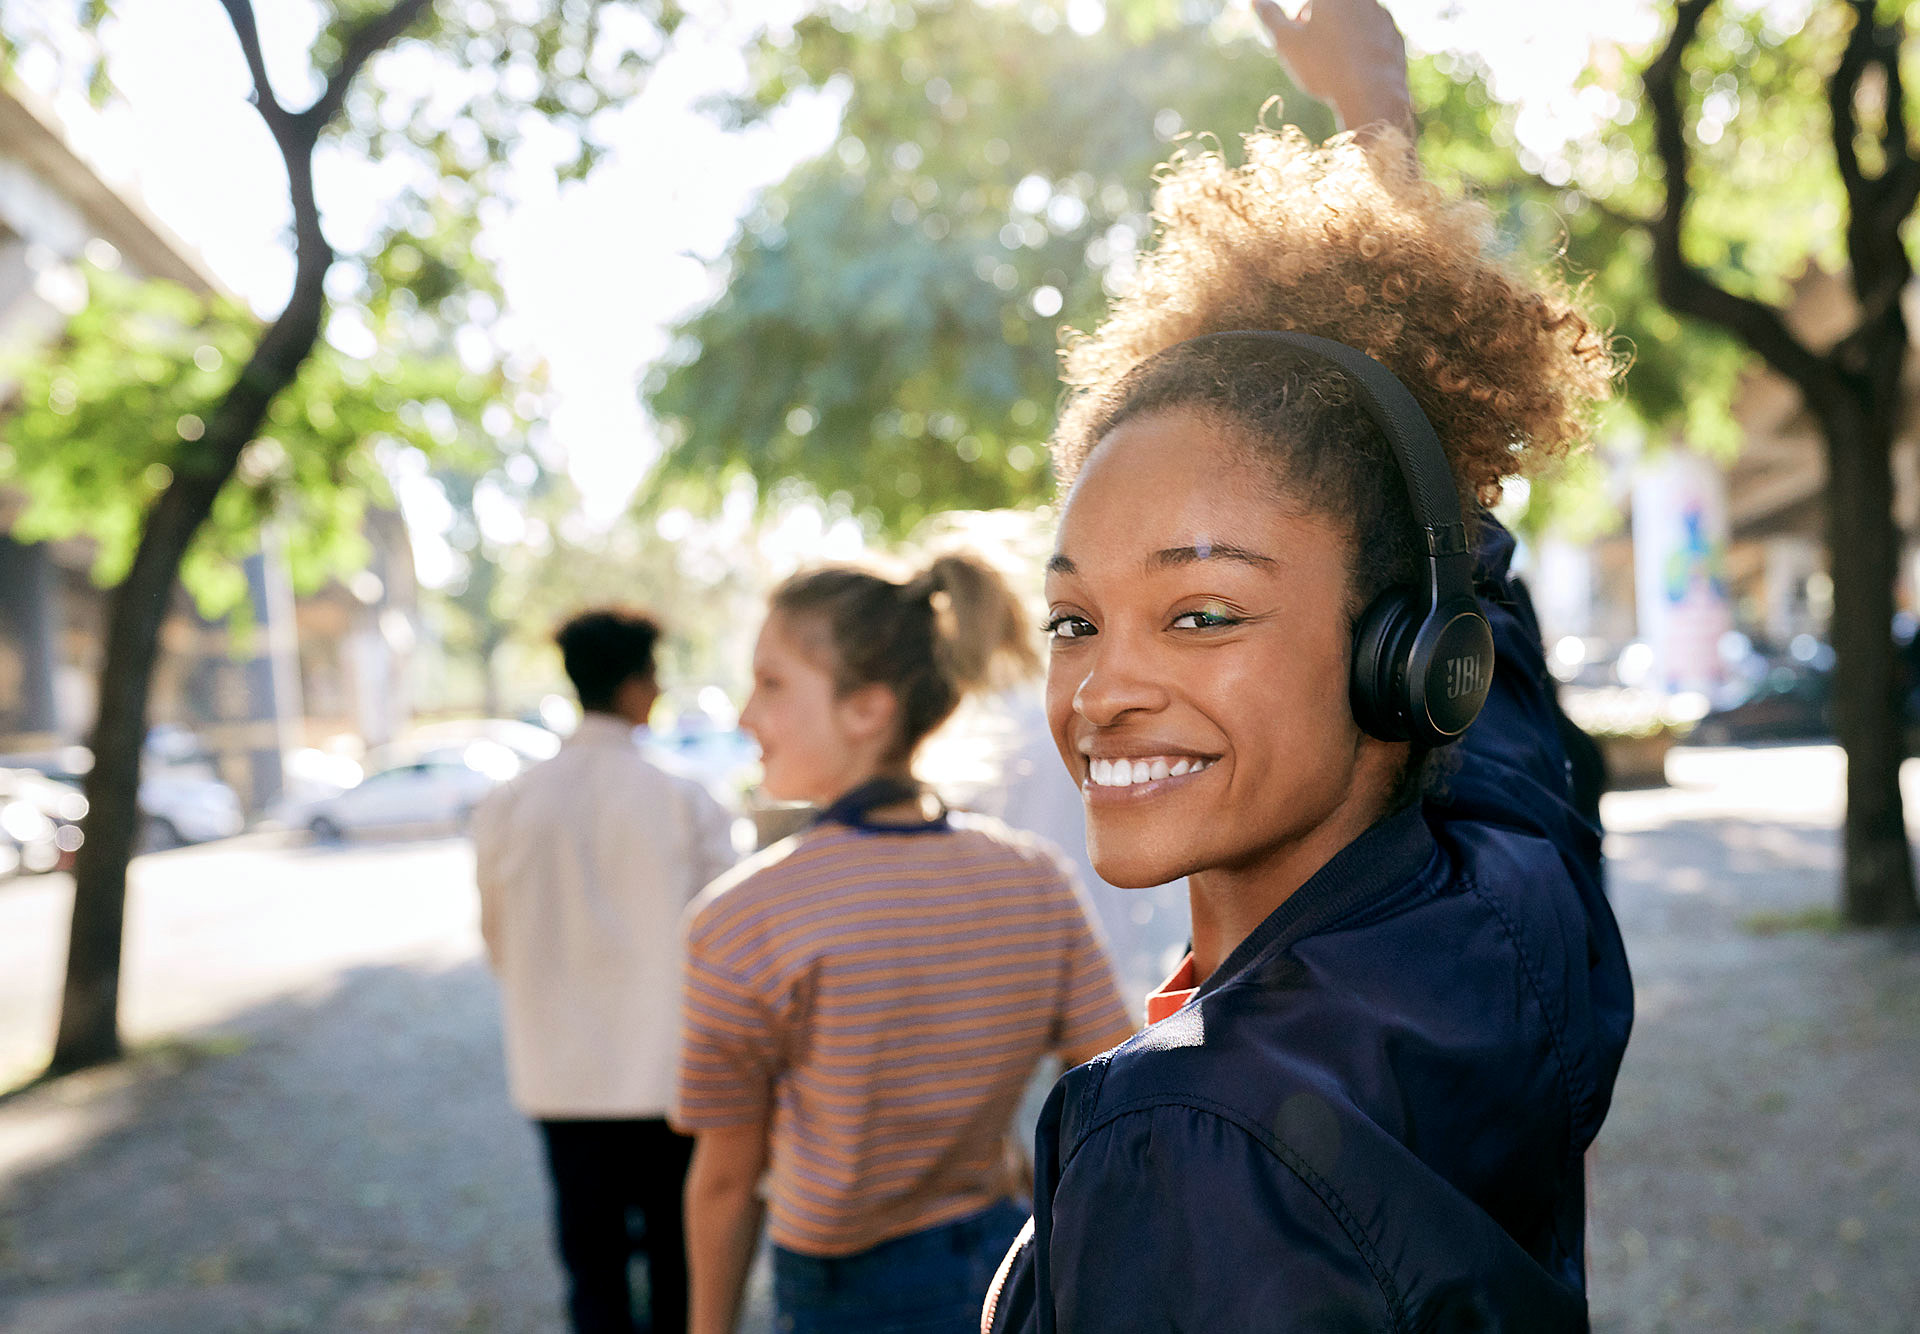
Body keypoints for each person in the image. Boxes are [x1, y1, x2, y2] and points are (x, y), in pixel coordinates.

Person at [984, 1, 1633, 1329]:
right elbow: (1461, 570)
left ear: (1403, 657)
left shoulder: (1187, 1145)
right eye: (1075, 619)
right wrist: (1377, 133)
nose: (1102, 688)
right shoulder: (1516, 900)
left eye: (1202, 613)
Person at [672, 552, 1136, 1334]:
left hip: (843, 1291)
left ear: (868, 709)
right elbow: (1114, 1085)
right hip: (1009, 1259)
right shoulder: (1033, 878)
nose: (746, 715)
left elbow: (725, 1182)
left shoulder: (743, 919)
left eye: (773, 683)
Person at [473, 608, 738, 1334]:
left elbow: (497, 938)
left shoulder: (509, 803)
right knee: (679, 1265)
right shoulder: (684, 795)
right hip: (670, 1074)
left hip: (561, 1077)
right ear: (633, 684)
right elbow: (728, 945)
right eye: (652, 675)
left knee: (591, 1272)